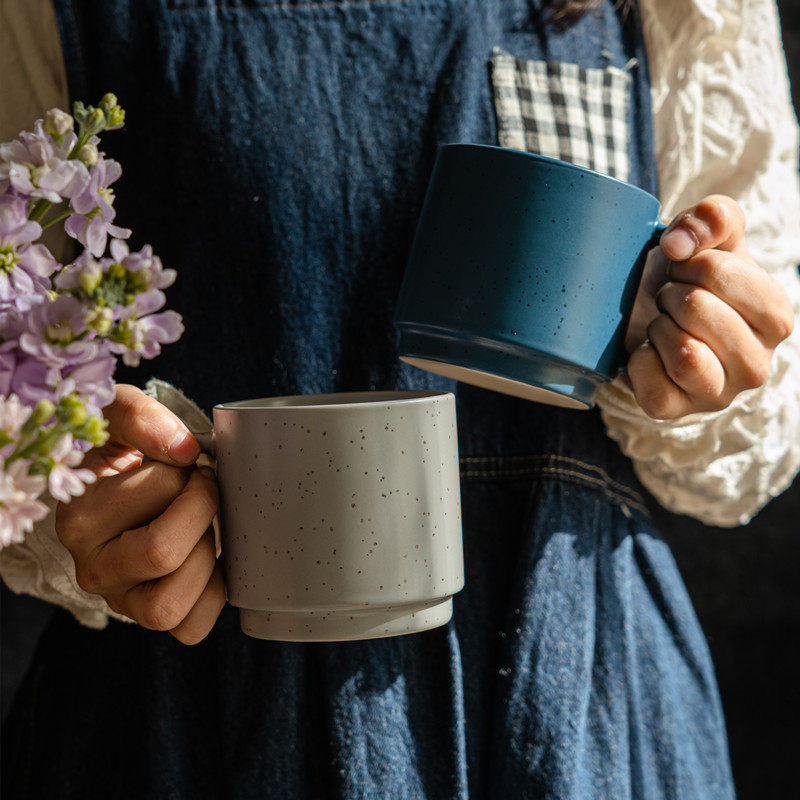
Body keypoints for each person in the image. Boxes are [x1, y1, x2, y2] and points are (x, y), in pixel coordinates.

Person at [2, 0, 799, 797]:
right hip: (192, 697)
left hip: (565, 690)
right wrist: (79, 489)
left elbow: (754, 447)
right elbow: (18, 369)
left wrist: (711, 349)